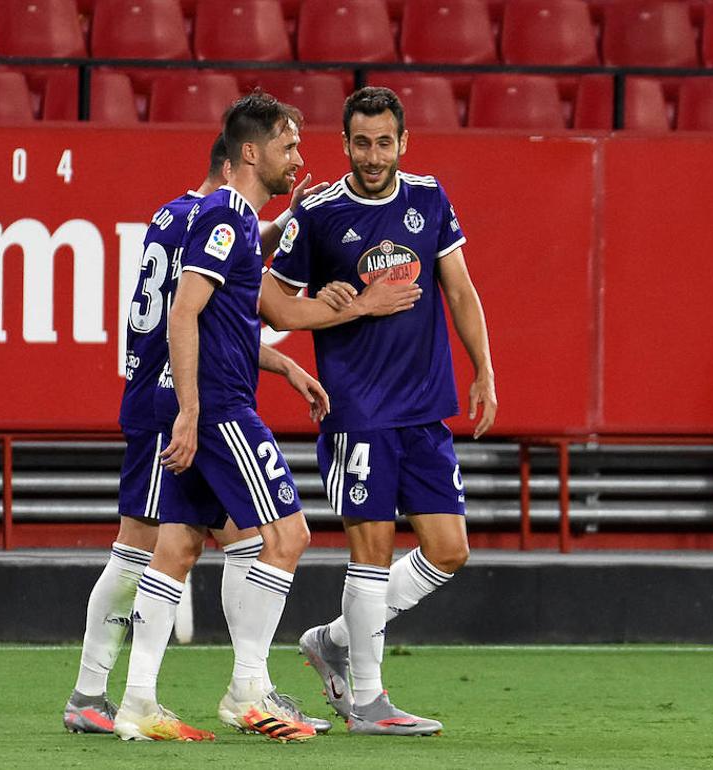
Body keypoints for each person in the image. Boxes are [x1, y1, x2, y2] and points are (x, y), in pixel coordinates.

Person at [63, 134, 337, 737]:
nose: (295, 159)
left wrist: (281, 363)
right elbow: (196, 311)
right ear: (241, 158)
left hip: (170, 393)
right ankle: (98, 692)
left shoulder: (180, 214)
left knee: (214, 540)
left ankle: (239, 687)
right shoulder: (215, 218)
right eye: (285, 147)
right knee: (142, 546)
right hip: (176, 398)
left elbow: (227, 289)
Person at [266, 86, 498, 736]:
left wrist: (483, 368)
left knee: (449, 550)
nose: (373, 156)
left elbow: (460, 289)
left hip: (425, 406)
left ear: (404, 142)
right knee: (371, 549)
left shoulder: (430, 198)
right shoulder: (317, 213)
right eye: (362, 143)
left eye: (384, 142)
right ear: (344, 143)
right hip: (358, 407)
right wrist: (351, 307)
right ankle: (368, 702)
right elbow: (273, 305)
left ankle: (335, 639)